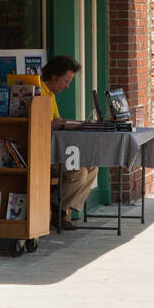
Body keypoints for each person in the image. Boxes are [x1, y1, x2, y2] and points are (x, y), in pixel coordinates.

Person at [39, 55, 98, 230]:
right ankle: (58, 209)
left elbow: (57, 120)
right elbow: (45, 124)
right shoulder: (38, 91)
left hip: (55, 148)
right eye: (65, 80)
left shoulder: (51, 95)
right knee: (77, 172)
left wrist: (76, 124)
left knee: (93, 166)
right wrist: (64, 123)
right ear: (53, 76)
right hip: (41, 152)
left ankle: (63, 207)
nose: (67, 86)